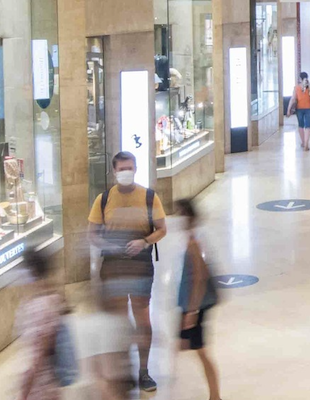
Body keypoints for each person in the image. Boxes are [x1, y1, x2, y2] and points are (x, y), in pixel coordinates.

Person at [86, 152, 168, 392]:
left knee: (142, 317)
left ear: (136, 168)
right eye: (121, 168)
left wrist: (144, 241)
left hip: (140, 263)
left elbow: (162, 229)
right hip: (113, 266)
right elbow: (92, 234)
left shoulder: (149, 196)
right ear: (114, 171)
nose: (126, 172)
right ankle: (123, 371)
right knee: (119, 321)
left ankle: (143, 371)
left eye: (129, 168)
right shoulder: (103, 199)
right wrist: (108, 245)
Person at [175, 200, 223, 400]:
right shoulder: (190, 238)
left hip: (195, 305)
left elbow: (200, 277)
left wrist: (192, 311)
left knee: (200, 350)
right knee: (182, 345)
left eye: (180, 214)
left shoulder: (194, 241)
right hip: (190, 304)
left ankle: (215, 396)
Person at [15, 247, 64, 400]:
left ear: (32, 272)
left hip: (41, 386)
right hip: (50, 382)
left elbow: (39, 356)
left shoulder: (39, 307)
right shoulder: (53, 297)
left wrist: (25, 390)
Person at [289, 72, 310, 150]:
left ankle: (303, 142)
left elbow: (293, 99)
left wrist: (288, 109)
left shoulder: (296, 88)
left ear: (300, 79)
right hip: (308, 108)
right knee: (307, 125)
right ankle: (306, 143)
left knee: (301, 125)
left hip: (299, 109)